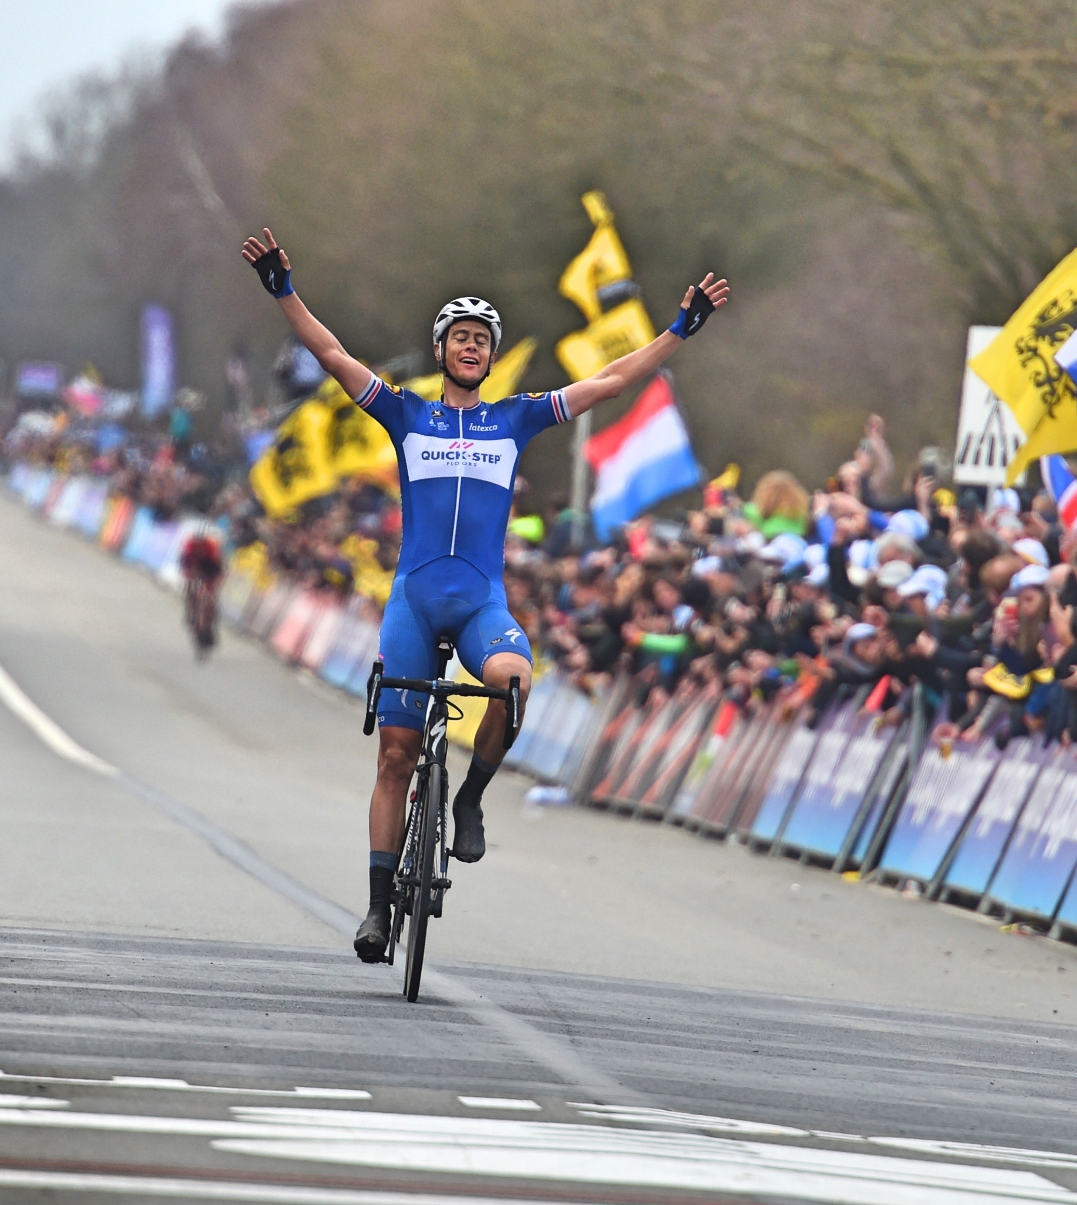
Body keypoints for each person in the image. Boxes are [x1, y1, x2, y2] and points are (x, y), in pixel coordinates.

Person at [241, 227, 729, 962]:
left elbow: (611, 381)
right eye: (460, 337)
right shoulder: (407, 414)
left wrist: (677, 332)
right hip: (414, 599)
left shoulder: (516, 416)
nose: (472, 347)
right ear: (441, 351)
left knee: (512, 685)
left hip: (479, 603)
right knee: (395, 756)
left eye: (482, 340)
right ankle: (378, 910)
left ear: (490, 356)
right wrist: (284, 291)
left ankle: (469, 798)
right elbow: (334, 356)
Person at [180, 529, 224, 655]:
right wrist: (190, 578)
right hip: (194, 564)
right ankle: (190, 609)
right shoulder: (190, 545)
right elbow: (186, 565)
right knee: (189, 587)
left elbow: (217, 568)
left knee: (211, 594)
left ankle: (211, 617)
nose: (199, 546)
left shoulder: (211, 547)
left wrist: (215, 582)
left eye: (201, 543)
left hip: (209, 567)